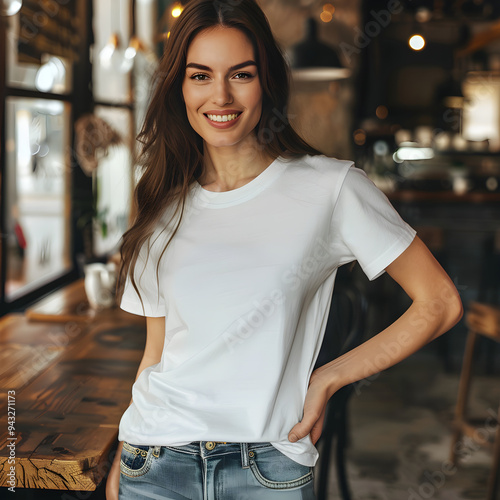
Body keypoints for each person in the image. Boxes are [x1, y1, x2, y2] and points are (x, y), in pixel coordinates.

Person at [106, 0, 463, 498]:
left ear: (266, 81)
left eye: (241, 74)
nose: (221, 95)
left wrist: (329, 378)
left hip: (266, 468)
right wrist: (126, 455)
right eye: (200, 75)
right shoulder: (160, 201)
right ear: (179, 87)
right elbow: (156, 353)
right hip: (155, 462)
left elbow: (440, 303)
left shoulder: (331, 187)